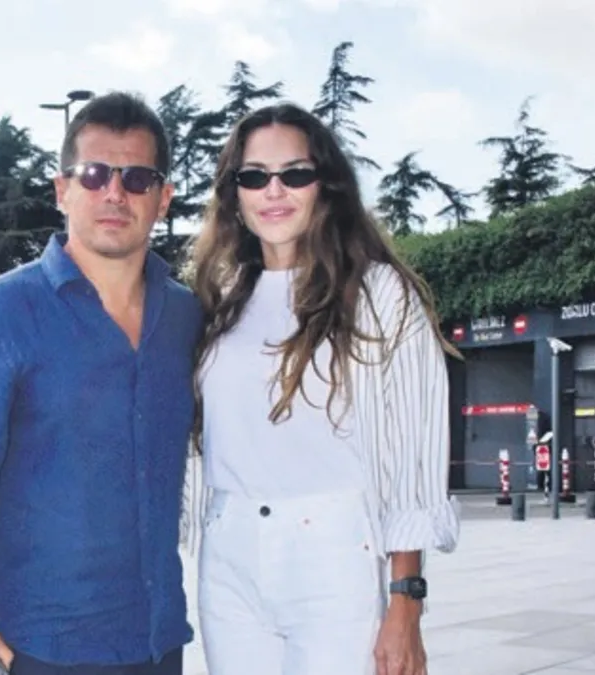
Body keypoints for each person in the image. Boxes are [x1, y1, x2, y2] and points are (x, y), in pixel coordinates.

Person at [0, 91, 201, 675]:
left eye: (137, 178)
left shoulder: (187, 319)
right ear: (62, 189)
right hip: (33, 645)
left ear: (163, 198)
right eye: (93, 175)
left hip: (157, 642)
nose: (114, 193)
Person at [186, 102, 462, 675]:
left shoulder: (379, 294)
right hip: (228, 555)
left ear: (326, 185)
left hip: (333, 556)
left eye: (295, 174)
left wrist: (406, 600)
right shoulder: (219, 298)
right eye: (254, 176)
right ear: (234, 193)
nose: (274, 191)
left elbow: (411, 457)